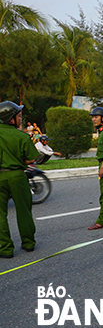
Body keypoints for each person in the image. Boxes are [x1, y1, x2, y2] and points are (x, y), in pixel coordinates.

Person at [0, 101, 40, 258]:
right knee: (23, 210)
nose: (21, 119)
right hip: (17, 176)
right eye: (19, 116)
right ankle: (28, 243)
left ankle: (5, 248)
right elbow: (31, 160)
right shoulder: (21, 136)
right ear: (11, 119)